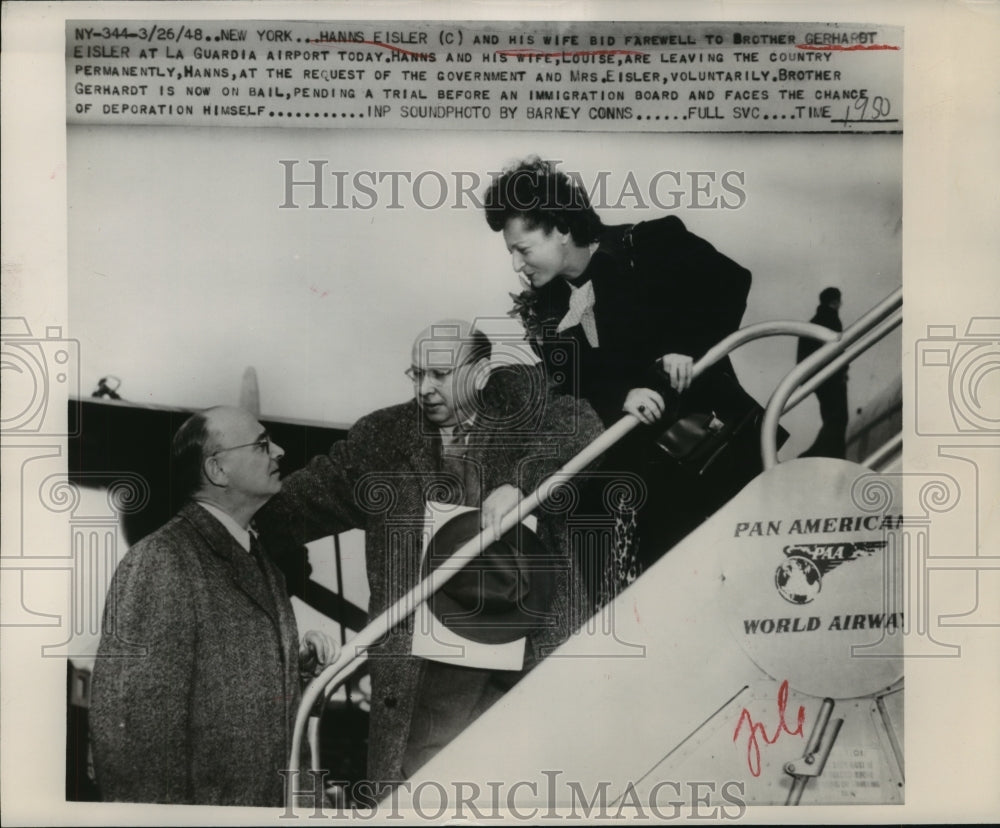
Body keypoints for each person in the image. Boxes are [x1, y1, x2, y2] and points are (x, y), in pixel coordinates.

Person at [256, 319, 604, 788]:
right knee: (421, 791)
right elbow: (300, 503)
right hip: (428, 669)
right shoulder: (382, 439)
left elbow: (582, 425)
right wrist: (235, 517)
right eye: (416, 374)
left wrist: (519, 483)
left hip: (525, 650)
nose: (425, 388)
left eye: (440, 374)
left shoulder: (526, 410)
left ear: (480, 373)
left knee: (526, 787)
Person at [485, 156, 758, 589]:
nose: (517, 265)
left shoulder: (650, 243)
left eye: (522, 249)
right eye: (511, 253)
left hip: (715, 453)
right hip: (649, 488)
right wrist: (619, 397)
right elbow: (575, 389)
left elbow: (731, 281)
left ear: (560, 227)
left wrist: (684, 348)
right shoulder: (545, 310)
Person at [89, 406, 336, 806]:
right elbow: (133, 743)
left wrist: (295, 670)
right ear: (217, 470)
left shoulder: (263, 566)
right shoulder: (162, 560)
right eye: (261, 444)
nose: (280, 450)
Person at [797, 287, 849, 458]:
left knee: (831, 417)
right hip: (832, 377)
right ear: (835, 301)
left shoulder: (812, 323)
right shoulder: (831, 318)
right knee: (838, 417)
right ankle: (829, 455)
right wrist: (842, 370)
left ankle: (826, 454)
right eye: (839, 300)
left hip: (818, 378)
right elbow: (835, 348)